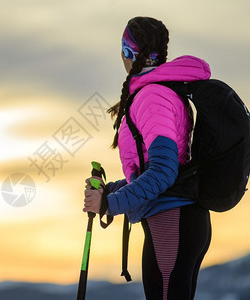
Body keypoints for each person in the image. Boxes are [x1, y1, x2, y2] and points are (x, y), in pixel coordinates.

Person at [83, 17, 212, 300]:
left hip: (171, 222)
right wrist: (111, 190)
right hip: (174, 221)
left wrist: (109, 203)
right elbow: (161, 168)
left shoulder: (152, 96)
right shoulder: (158, 91)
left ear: (127, 52)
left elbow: (163, 172)